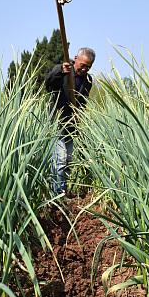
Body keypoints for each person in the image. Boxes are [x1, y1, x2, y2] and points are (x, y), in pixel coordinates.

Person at [44, 47, 95, 195]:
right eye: (82, 65)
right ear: (75, 59)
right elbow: (48, 84)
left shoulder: (88, 81)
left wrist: (79, 116)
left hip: (72, 124)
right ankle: (57, 194)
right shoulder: (63, 71)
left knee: (68, 160)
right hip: (58, 121)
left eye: (88, 67)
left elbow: (83, 102)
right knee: (60, 159)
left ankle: (63, 190)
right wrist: (60, 70)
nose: (84, 69)